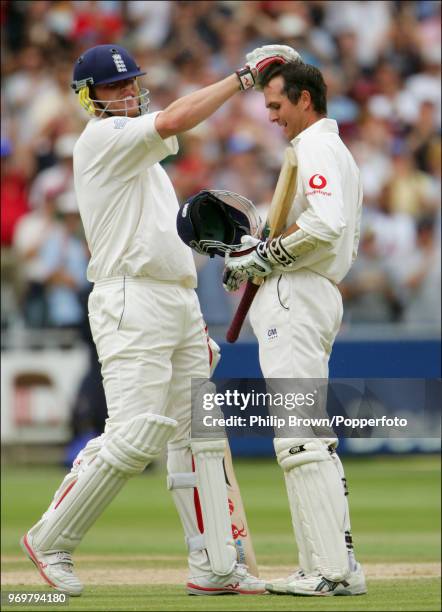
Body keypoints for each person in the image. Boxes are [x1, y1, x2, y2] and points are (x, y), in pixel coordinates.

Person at [20, 43, 301, 598]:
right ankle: (51, 537)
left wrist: (188, 317)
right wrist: (243, 77)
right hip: (129, 300)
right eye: (113, 87)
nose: (127, 93)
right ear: (88, 97)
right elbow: (174, 118)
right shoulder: (101, 139)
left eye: (131, 84)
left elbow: (163, 234)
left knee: (201, 436)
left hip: (174, 300)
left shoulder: (142, 156)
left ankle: (216, 564)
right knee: (134, 435)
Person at [223, 60, 367, 596]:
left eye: (278, 106)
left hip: (297, 294)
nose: (272, 116)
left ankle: (327, 571)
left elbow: (326, 224)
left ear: (305, 100)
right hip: (312, 291)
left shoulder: (316, 148)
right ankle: (337, 568)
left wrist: (266, 258)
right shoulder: (331, 151)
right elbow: (328, 227)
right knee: (313, 439)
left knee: (299, 438)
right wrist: (258, 253)